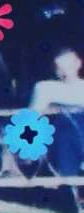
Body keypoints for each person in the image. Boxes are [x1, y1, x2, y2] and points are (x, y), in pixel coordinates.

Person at [30, 47, 84, 182]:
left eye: (69, 67)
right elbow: (33, 116)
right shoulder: (46, 88)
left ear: (78, 64)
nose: (65, 73)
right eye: (60, 68)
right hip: (63, 139)